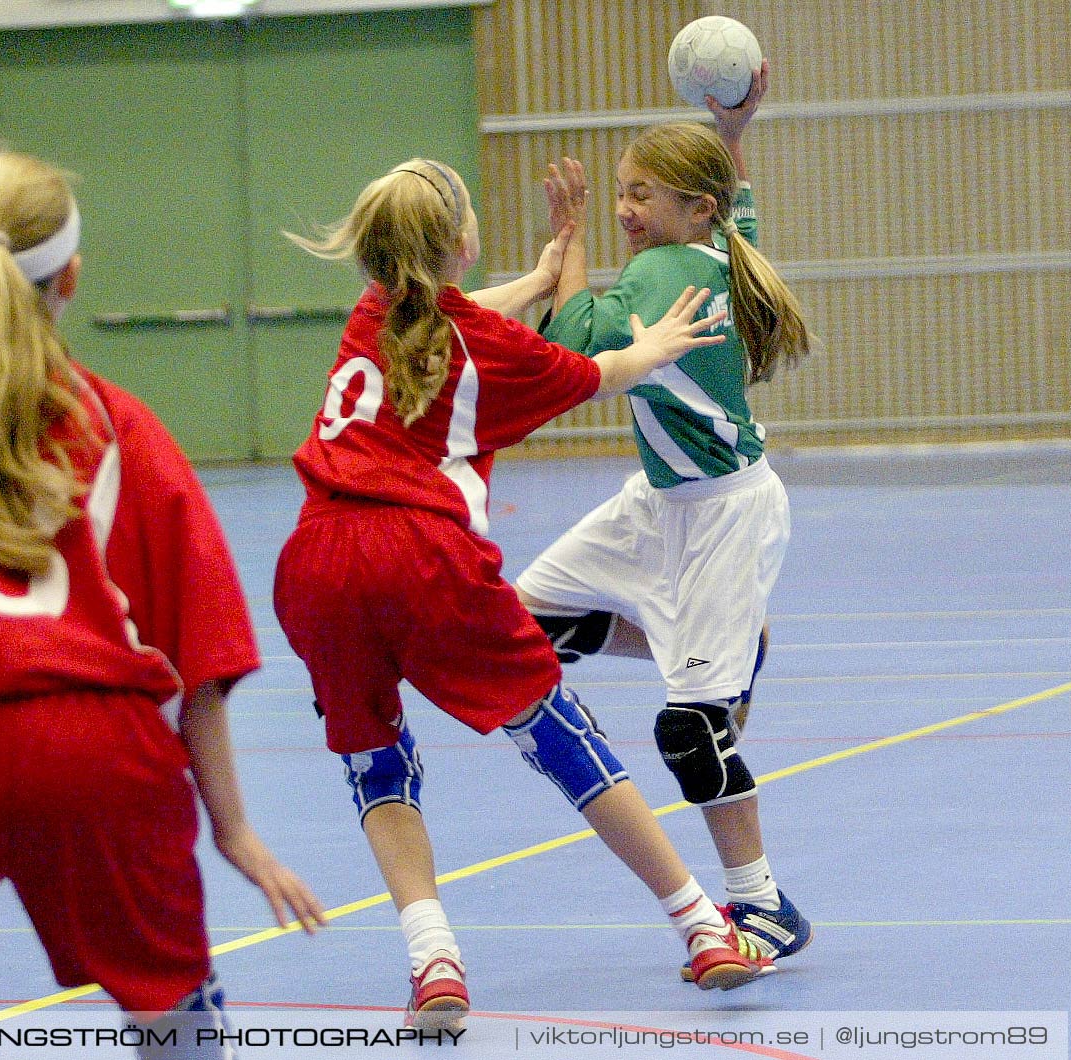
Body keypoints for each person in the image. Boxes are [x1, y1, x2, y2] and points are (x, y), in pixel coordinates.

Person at [0, 146, 326, 1060]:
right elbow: (202, 665)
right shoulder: (123, 429)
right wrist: (235, 829)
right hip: (97, 753)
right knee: (174, 1007)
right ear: (74, 278)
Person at [273, 157, 773, 1032]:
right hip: (419, 555)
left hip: (315, 561)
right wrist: (648, 348)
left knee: (375, 762)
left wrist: (542, 278)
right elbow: (596, 372)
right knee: (556, 734)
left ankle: (434, 960)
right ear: (463, 241)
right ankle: (704, 927)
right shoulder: (489, 350)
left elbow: (460, 312)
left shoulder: (373, 318)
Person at [515, 63, 815, 976]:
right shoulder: (724, 247)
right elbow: (733, 201)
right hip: (664, 503)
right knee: (526, 619)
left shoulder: (661, 269)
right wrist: (733, 127)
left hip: (720, 517)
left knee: (692, 734)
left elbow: (568, 339)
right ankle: (717, 649)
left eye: (640, 193)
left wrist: (562, 242)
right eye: (616, 195)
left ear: (691, 208)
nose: (624, 209)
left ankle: (762, 908)